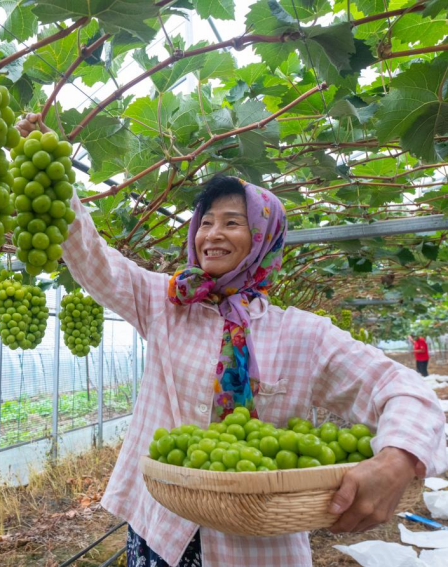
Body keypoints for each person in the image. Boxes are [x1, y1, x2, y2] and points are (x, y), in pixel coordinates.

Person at [30, 138, 448, 566]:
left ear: (264, 237)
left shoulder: (303, 334)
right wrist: (55, 174)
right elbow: (95, 260)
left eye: (232, 223)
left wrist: (397, 459)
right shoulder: (167, 302)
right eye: (205, 222)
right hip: (160, 526)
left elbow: (404, 390)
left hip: (255, 547)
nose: (212, 234)